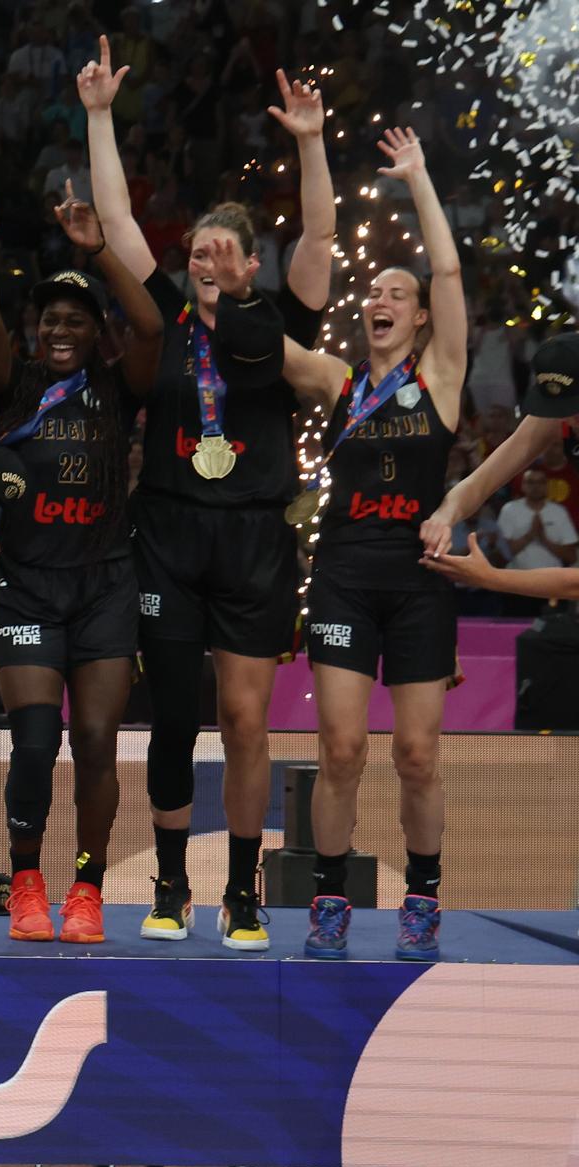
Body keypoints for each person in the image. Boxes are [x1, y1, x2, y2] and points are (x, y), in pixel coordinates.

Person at [83, 45, 335, 950]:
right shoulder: (171, 320)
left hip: (256, 542)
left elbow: (318, 246)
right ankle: (169, 885)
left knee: (243, 718)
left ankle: (241, 893)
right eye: (198, 247)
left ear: (250, 264)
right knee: (178, 718)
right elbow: (115, 222)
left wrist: (310, 144)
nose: (205, 256)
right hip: (171, 536)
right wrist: (101, 117)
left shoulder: (278, 325)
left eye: (224, 249)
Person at [276, 129, 466, 961]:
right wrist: (228, 283)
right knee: (343, 750)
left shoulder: (444, 380)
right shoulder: (338, 382)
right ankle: (329, 897)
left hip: (422, 582)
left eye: (398, 291)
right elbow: (265, 341)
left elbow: (451, 272)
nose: (379, 299)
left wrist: (420, 179)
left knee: (418, 756)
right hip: (346, 578)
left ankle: (422, 897)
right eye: (373, 292)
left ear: (419, 315)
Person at [0, 178, 163, 944]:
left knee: (99, 743)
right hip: (29, 591)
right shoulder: (18, 386)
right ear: (36, 329)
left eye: (76, 319)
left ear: (95, 330)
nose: (61, 329)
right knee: (35, 744)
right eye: (50, 319)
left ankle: (87, 886)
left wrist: (99, 250)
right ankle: (26, 883)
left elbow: (151, 326)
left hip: (106, 588)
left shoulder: (120, 386)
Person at [422, 333, 579, 604]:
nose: (567, 418)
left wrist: (489, 578)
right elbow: (482, 481)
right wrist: (444, 517)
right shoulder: (558, 415)